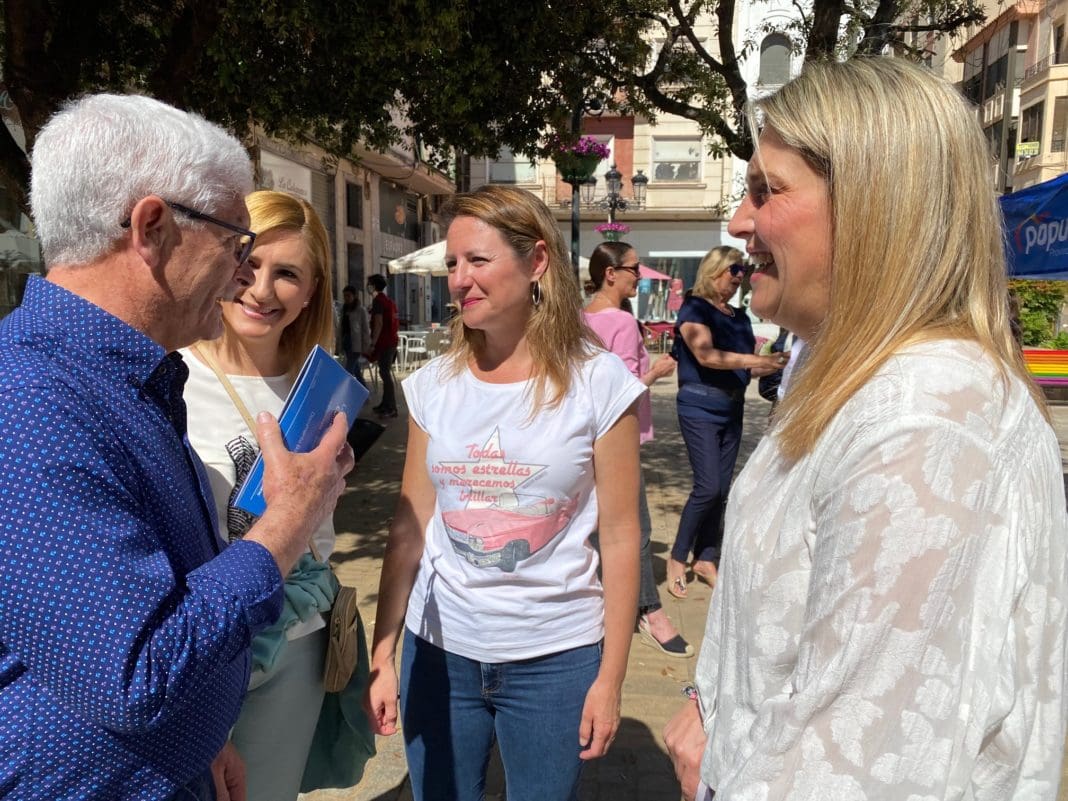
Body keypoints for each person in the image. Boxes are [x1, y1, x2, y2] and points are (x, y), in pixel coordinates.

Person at [664, 57, 1068, 801]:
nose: (737, 223)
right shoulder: (855, 369)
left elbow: (856, 765)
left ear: (876, 205)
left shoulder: (926, 424)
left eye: (767, 191)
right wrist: (708, 702)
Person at [0, 94, 353, 801]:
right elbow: (137, 674)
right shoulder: (35, 402)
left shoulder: (119, 377)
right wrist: (287, 521)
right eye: (234, 243)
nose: (240, 275)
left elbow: (151, 602)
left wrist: (206, 734)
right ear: (152, 227)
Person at [364, 185, 643, 801]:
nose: (459, 280)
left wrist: (612, 677)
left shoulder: (600, 383)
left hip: (556, 657)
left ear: (537, 261)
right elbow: (410, 526)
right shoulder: (434, 384)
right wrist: (384, 650)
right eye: (452, 265)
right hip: (438, 651)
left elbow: (623, 536)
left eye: (478, 261)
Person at [181, 190, 339, 801]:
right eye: (247, 265)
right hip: (194, 649)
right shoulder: (170, 371)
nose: (262, 290)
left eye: (287, 274)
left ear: (312, 289)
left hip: (294, 643)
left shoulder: (322, 386)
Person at [583, 241, 691, 658]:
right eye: (633, 269)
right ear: (611, 273)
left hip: (586, 435)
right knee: (638, 528)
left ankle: (606, 607)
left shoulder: (578, 318)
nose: (639, 276)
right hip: (619, 437)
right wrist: (657, 371)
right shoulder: (622, 324)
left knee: (596, 526)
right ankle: (648, 611)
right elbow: (623, 390)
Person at [665, 247, 782, 598]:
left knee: (723, 490)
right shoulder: (694, 308)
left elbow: (749, 366)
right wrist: (754, 359)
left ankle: (706, 557)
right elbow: (707, 355)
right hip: (699, 405)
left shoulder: (739, 316)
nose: (738, 277)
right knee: (708, 487)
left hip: (732, 408)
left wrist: (780, 363)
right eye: (733, 270)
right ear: (713, 270)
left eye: (743, 271)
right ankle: (677, 557)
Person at [366, 273, 399, 417]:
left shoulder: (378, 301)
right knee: (383, 372)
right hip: (391, 341)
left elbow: (378, 323)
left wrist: (373, 343)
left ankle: (391, 407)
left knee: (385, 373)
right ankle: (385, 404)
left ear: (373, 285)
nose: (368, 286)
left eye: (369, 283)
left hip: (385, 342)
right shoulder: (387, 301)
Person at [341, 284, 371, 386]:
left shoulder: (360, 310)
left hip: (356, 344)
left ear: (354, 296)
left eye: (348, 296)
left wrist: (366, 345)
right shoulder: (344, 309)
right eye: (345, 296)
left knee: (348, 370)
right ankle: (365, 393)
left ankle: (344, 393)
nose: (346, 298)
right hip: (346, 342)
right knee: (356, 370)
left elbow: (365, 329)